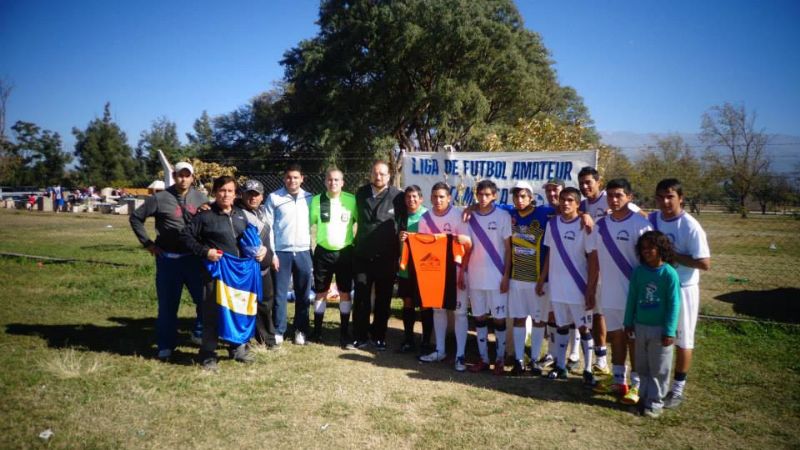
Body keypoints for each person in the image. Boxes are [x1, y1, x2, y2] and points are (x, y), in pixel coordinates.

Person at [180, 176, 267, 371]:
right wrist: (205, 252)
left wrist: (261, 251)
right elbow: (185, 236)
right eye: (222, 190)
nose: (226, 194)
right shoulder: (205, 216)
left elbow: (251, 240)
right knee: (212, 314)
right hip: (215, 274)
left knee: (237, 311)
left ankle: (237, 349)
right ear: (215, 193)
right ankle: (208, 354)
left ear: (235, 194)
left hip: (238, 276)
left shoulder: (241, 216)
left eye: (230, 191)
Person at [129, 161, 208, 361]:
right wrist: (147, 244)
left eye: (187, 175)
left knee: (205, 301)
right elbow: (136, 218)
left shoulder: (200, 197)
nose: (183, 178)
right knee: (167, 306)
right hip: (168, 260)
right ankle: (165, 345)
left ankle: (199, 333)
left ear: (192, 177)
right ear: (174, 176)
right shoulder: (160, 198)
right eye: (179, 175)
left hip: (193, 260)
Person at [587, 178, 652, 404]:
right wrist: (591, 288)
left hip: (633, 294)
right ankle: (618, 380)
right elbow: (594, 260)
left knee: (633, 338)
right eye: (611, 196)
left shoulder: (641, 225)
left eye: (619, 195)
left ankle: (636, 384)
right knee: (616, 337)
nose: (614, 200)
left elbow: (649, 262)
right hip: (609, 292)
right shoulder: (601, 225)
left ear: (629, 198)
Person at [650, 178, 711, 409]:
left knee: (683, 340)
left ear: (680, 198)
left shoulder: (690, 226)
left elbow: (705, 263)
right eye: (660, 197)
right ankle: (657, 384)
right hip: (658, 287)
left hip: (683, 289)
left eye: (670, 196)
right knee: (659, 336)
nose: (665, 201)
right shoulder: (654, 218)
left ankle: (677, 390)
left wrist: (672, 255)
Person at [578, 166, 642, 376]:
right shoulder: (585, 205)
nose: (585, 186)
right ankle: (607, 365)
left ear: (599, 182)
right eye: (582, 183)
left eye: (589, 182)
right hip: (599, 270)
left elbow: (642, 217)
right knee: (601, 317)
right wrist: (582, 213)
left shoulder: (623, 207)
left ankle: (635, 379)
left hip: (626, 278)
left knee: (628, 329)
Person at [537, 187, 598, 383]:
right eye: (563, 200)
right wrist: (542, 278)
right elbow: (550, 254)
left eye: (570, 200)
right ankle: (560, 366)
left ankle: (588, 370)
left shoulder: (585, 225)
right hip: (557, 285)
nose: (565, 203)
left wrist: (590, 289)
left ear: (578, 204)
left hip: (578, 286)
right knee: (561, 326)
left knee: (584, 328)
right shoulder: (552, 224)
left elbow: (593, 259)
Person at [412, 183, 472, 370]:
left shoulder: (459, 215)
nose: (438, 200)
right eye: (435, 196)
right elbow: (423, 249)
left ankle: (460, 356)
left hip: (456, 271)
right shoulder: (425, 219)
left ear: (449, 198)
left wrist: (463, 272)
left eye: (442, 197)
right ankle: (440, 350)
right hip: (435, 272)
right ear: (430, 198)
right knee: (438, 310)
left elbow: (468, 245)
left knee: (460, 312)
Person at [624, 231, 681, 418]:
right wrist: (628, 322)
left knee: (659, 368)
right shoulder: (639, 272)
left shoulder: (669, 274)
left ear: (661, 249)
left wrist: (670, 330)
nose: (647, 251)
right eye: (643, 248)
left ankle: (655, 403)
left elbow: (674, 304)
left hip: (660, 330)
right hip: (640, 326)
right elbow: (632, 298)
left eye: (651, 248)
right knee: (642, 366)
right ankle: (643, 399)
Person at [351, 160, 405, 351]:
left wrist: (401, 255)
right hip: (362, 255)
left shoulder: (399, 196)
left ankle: (379, 336)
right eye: (375, 173)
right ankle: (359, 336)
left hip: (387, 257)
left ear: (389, 176)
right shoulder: (361, 193)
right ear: (370, 174)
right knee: (361, 297)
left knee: (383, 299)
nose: (378, 177)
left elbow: (404, 225)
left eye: (382, 174)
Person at [505, 181, 555, 376]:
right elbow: (488, 205)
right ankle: (518, 360)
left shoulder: (545, 213)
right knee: (518, 318)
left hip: (539, 279)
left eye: (523, 196)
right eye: (516, 196)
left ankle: (534, 360)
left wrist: (543, 278)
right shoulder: (510, 213)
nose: (519, 200)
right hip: (517, 278)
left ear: (531, 197)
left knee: (539, 320)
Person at [465, 180, 512, 375]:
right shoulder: (468, 215)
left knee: (499, 320)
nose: (483, 198)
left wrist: (506, 276)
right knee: (479, 318)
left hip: (497, 277)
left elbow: (509, 249)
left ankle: (499, 359)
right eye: (480, 194)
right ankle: (483, 358)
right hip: (475, 277)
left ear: (494, 196)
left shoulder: (503, 216)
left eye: (487, 195)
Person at [265, 163, 314, 346]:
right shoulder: (274, 197)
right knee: (280, 293)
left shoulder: (310, 198)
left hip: (303, 251)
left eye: (296, 177)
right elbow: (268, 228)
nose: (292, 180)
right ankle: (279, 330)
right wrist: (273, 253)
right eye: (288, 177)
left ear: (302, 178)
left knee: (303, 294)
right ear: (284, 178)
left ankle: (300, 330)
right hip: (281, 252)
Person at [308, 168, 358, 346]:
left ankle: (344, 333)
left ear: (342, 183)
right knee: (321, 292)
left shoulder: (351, 200)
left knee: (345, 293)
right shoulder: (316, 200)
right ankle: (317, 332)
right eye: (330, 180)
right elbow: (307, 224)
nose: (333, 183)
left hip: (345, 252)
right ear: (325, 182)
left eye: (337, 180)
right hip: (323, 252)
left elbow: (361, 222)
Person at [236, 179, 277, 348]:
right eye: (249, 194)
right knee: (243, 305)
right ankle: (242, 341)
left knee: (266, 303)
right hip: (245, 271)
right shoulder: (235, 213)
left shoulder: (262, 211)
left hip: (264, 269)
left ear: (262, 197)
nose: (253, 198)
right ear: (242, 194)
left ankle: (267, 339)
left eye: (256, 194)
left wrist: (270, 254)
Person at [396, 185, 432, 353]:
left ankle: (426, 341)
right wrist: (400, 237)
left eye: (415, 197)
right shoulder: (401, 217)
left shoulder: (428, 216)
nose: (411, 200)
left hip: (424, 267)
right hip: (405, 267)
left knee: (425, 304)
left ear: (421, 199)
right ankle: (408, 339)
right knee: (408, 302)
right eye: (408, 197)